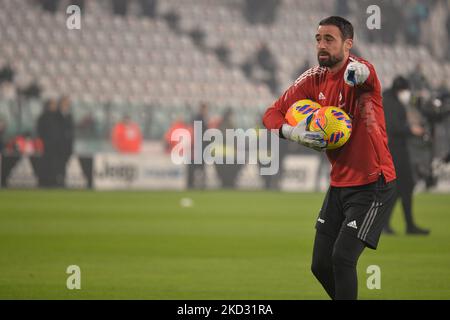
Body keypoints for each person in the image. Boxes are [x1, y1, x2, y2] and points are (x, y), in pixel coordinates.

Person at [262, 16, 397, 300]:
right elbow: (271, 113)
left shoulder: (360, 74)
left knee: (342, 258)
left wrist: (359, 72)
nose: (321, 45)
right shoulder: (313, 79)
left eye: (329, 39)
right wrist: (291, 132)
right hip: (339, 185)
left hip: (374, 183)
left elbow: (366, 74)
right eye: (318, 39)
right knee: (320, 265)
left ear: (348, 44)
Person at [383, 76, 430, 235]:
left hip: (392, 150)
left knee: (397, 189)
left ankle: (389, 225)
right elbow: (393, 127)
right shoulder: (392, 104)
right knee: (405, 186)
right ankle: (408, 226)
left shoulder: (387, 100)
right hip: (395, 150)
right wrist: (412, 130)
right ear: (401, 90)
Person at [58, 96, 75, 187]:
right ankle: (57, 181)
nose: (67, 105)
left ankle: (62, 181)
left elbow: (71, 132)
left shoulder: (69, 116)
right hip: (57, 146)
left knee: (64, 165)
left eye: (67, 103)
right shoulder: (56, 115)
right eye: (65, 103)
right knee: (57, 164)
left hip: (67, 146)